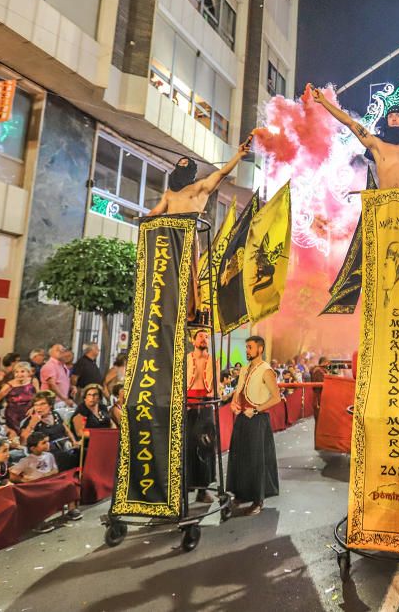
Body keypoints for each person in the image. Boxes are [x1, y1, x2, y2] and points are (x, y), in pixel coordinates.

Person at [147, 138, 253, 325]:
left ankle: (187, 310)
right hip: (168, 236)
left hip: (186, 234)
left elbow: (221, 173)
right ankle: (167, 307)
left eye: (185, 164)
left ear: (190, 170)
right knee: (165, 272)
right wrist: (143, 221)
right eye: (179, 164)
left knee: (188, 275)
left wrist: (238, 155)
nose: (181, 165)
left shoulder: (200, 187)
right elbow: (156, 211)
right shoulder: (169, 193)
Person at [310, 87, 399, 189]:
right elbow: (350, 123)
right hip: (384, 204)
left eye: (398, 115)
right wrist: (324, 101)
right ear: (387, 121)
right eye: (390, 116)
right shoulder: (377, 144)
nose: (394, 118)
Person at [227, 335, 281, 515]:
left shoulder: (267, 370)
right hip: (242, 417)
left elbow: (276, 398)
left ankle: (258, 501)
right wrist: (234, 404)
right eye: (246, 347)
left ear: (260, 349)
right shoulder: (244, 369)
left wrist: (256, 409)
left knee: (256, 460)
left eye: (250, 347)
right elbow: (238, 390)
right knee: (239, 456)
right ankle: (241, 494)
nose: (247, 350)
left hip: (258, 419)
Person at [10, 433, 82, 529]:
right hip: (36, 485)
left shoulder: (49, 455)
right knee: (39, 496)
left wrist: (48, 474)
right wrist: (23, 480)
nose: (47, 444)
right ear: (33, 448)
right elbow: (12, 475)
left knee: (69, 484)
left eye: (47, 442)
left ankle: (71, 510)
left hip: (50, 481)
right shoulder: (26, 461)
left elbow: (55, 470)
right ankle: (38, 521)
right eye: (43, 443)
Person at [186, 330, 219, 503]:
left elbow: (216, 386)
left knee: (206, 446)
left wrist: (210, 402)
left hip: (206, 405)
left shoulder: (213, 361)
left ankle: (203, 489)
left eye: (206, 337)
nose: (204, 339)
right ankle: (185, 487)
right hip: (188, 406)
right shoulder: (186, 359)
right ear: (193, 340)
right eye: (200, 336)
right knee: (187, 445)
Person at [19, 391, 80, 470]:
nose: (39, 408)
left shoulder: (55, 415)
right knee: (69, 458)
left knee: (83, 452)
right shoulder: (30, 421)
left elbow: (67, 431)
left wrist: (74, 442)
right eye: (36, 405)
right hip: (47, 454)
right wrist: (32, 424)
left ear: (50, 405)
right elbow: (22, 442)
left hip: (65, 447)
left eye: (42, 404)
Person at [0, 362, 38, 432]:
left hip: (30, 413)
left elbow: (39, 396)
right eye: (16, 372)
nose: (19, 374)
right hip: (13, 415)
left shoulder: (33, 381)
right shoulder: (9, 385)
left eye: (22, 371)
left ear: (28, 372)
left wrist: (35, 407)